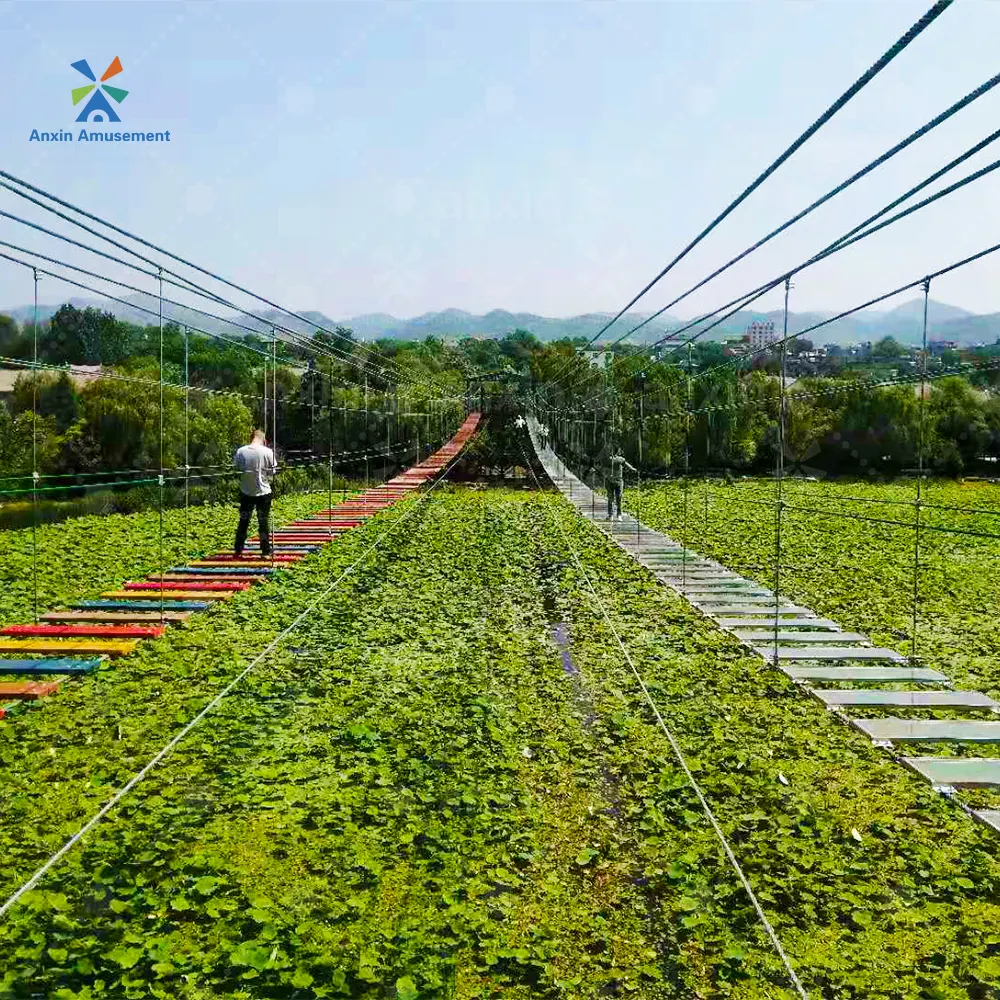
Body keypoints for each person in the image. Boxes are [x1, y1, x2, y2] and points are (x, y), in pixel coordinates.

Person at [234, 428, 277, 557]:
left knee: (244, 521)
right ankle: (265, 551)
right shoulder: (267, 451)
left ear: (251, 438)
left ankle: (238, 550)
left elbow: (238, 468)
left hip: (246, 492)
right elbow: (272, 471)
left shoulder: (241, 451)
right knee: (263, 522)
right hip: (263, 492)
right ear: (263, 439)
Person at [606, 447, 635, 521]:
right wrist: (634, 470)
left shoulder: (607, 459)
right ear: (618, 452)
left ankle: (611, 515)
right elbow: (629, 467)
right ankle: (618, 515)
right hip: (617, 481)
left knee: (611, 498)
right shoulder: (621, 459)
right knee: (618, 498)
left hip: (611, 481)